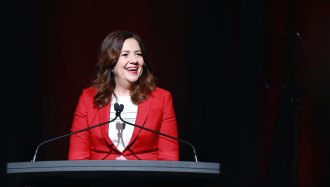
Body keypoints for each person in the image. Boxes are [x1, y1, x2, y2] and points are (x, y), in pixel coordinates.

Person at [68, 31, 179, 161]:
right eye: (125, 55)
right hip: (100, 179)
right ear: (110, 62)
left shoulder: (162, 98)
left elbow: (169, 158)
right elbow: (77, 158)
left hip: (146, 180)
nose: (134, 60)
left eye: (138, 54)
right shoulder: (88, 98)